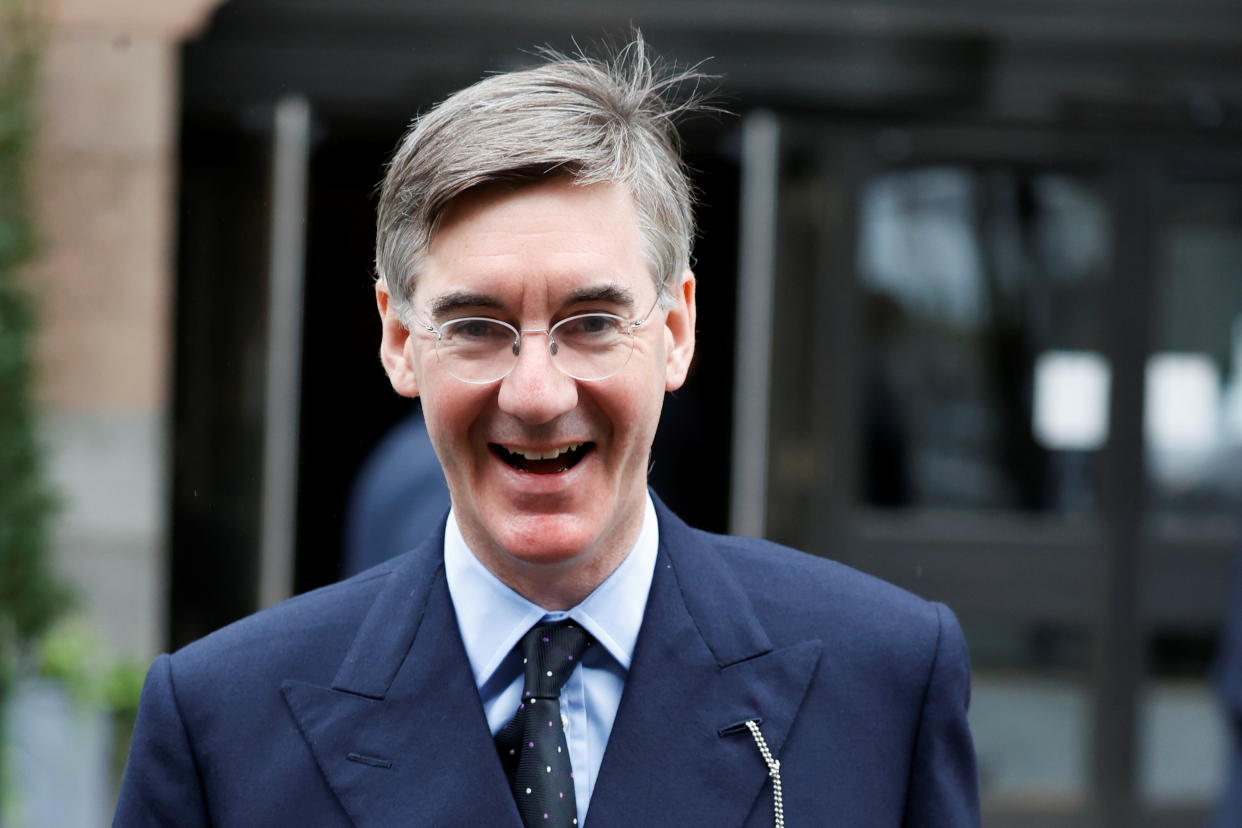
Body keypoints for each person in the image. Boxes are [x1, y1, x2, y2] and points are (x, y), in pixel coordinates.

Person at [115, 36, 980, 827]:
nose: (535, 393)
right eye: (477, 325)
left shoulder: (882, 682)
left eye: (594, 321)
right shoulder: (221, 725)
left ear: (675, 330)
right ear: (399, 341)